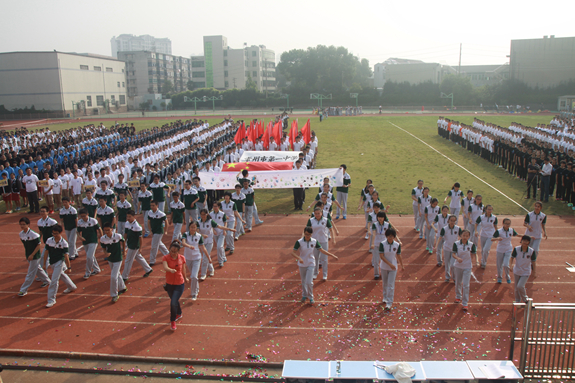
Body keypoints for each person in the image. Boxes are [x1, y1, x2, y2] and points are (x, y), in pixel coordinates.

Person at [291, 226, 338, 304]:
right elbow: (293, 252)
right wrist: (299, 258)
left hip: (311, 263)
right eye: (306, 234)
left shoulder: (314, 241)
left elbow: (322, 250)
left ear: (312, 234)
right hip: (302, 264)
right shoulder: (299, 242)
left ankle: (311, 297)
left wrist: (332, 255)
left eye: (309, 234)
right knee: (303, 281)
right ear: (304, 233)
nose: (307, 236)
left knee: (309, 282)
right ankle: (304, 295)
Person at [43, 224, 77, 308]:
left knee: (54, 280)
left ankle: (51, 299)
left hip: (60, 262)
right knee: (61, 274)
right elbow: (46, 252)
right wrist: (44, 264)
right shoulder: (49, 240)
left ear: (60, 232)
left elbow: (66, 256)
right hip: (52, 262)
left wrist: (69, 267)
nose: (55, 235)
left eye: (56, 233)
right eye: (53, 233)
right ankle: (72, 286)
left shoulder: (64, 243)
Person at [17, 217, 50, 296]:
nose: (22, 226)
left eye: (24, 224)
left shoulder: (34, 234)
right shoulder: (21, 234)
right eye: (21, 224)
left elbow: (38, 245)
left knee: (30, 273)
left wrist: (32, 254)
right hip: (28, 255)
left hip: (35, 256)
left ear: (28, 224)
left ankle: (23, 290)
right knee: (38, 270)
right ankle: (47, 281)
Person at [163, 241, 189, 330]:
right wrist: (170, 270)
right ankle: (179, 312)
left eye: (175, 251)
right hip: (169, 284)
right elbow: (165, 267)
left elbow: (183, 269)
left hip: (179, 284)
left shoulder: (182, 258)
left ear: (178, 251)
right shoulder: (165, 258)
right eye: (171, 251)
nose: (173, 253)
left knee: (173, 302)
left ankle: (172, 321)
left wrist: (186, 278)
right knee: (174, 300)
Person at [122, 209, 153, 282]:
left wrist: (140, 247)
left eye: (130, 217)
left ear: (134, 217)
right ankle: (148, 269)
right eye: (127, 217)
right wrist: (124, 242)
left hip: (134, 245)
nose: (128, 218)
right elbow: (126, 234)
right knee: (138, 257)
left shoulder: (137, 226)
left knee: (128, 260)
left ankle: (124, 276)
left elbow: (140, 238)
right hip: (130, 243)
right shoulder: (127, 223)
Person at [182, 221, 209, 300]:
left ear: (196, 228)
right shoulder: (185, 235)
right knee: (194, 276)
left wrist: (208, 258)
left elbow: (203, 248)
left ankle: (194, 293)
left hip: (196, 258)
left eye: (194, 227)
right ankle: (196, 289)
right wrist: (189, 246)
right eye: (191, 227)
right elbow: (183, 243)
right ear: (189, 227)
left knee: (193, 276)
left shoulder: (199, 236)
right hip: (188, 258)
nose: (193, 229)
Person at [306, 207, 336, 281]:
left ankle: (325, 274)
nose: (317, 215)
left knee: (324, 259)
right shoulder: (311, 220)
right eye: (315, 214)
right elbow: (307, 231)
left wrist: (333, 238)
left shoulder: (326, 220)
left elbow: (331, 230)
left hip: (324, 241)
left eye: (318, 213)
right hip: (314, 242)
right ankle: (315, 273)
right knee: (315, 258)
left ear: (321, 213)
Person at [100, 222, 126, 303]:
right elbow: (104, 248)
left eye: (108, 230)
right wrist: (105, 253)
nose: (107, 232)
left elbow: (123, 241)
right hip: (110, 259)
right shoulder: (103, 239)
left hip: (118, 258)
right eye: (105, 230)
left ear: (112, 229)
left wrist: (123, 251)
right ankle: (122, 287)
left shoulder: (118, 236)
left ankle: (114, 295)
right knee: (117, 273)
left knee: (113, 277)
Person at [378, 228, 404, 310]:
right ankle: (385, 297)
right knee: (385, 283)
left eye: (392, 236)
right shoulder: (382, 244)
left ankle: (389, 303)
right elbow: (381, 256)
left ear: (394, 237)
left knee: (391, 285)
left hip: (393, 268)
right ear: (386, 236)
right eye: (388, 236)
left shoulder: (397, 245)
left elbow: (399, 255)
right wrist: (390, 264)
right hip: (384, 267)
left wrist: (402, 265)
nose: (390, 238)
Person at [451, 229, 476, 311]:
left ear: (469, 236)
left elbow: (474, 254)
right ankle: (458, 296)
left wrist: (476, 261)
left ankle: (465, 303)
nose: (465, 237)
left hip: (467, 267)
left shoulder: (472, 245)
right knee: (458, 282)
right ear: (460, 236)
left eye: (467, 236)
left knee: (466, 285)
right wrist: (458, 258)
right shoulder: (456, 244)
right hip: (458, 266)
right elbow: (453, 254)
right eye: (463, 235)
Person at [510, 235, 537, 303]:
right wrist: (510, 265)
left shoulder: (531, 251)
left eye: (527, 241)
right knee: (516, 288)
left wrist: (534, 272)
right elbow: (512, 257)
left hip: (526, 271)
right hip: (517, 270)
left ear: (529, 242)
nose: (525, 242)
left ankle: (525, 299)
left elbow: (533, 262)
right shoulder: (516, 249)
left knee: (520, 286)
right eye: (524, 240)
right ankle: (517, 300)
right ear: (521, 241)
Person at [77, 208, 102, 279]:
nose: (83, 218)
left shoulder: (93, 221)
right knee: (91, 256)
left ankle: (87, 272)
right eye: (81, 216)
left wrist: (101, 237)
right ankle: (97, 269)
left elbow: (99, 229)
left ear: (87, 214)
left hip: (93, 240)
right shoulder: (79, 222)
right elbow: (78, 231)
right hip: (85, 241)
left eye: (84, 216)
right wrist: (80, 237)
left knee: (89, 257)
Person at [436, 214, 462, 282]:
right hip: (447, 248)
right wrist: (437, 245)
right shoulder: (444, 229)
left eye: (454, 221)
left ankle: (454, 277)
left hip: (454, 249)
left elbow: (462, 237)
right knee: (447, 264)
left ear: (456, 221)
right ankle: (447, 277)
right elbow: (440, 237)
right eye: (451, 220)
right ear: (448, 220)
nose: (452, 222)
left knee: (453, 265)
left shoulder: (458, 228)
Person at [492, 218, 518, 284]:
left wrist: (526, 236)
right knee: (499, 265)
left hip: (508, 249)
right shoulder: (499, 231)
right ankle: (499, 277)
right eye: (506, 223)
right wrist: (497, 238)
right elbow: (492, 238)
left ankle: (507, 276)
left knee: (506, 265)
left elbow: (517, 234)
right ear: (503, 223)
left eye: (509, 224)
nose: (507, 225)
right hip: (500, 249)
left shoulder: (511, 230)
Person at [474, 204, 498, 269]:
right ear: (485, 209)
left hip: (491, 235)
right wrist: (476, 231)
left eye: (491, 209)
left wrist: (497, 234)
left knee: (486, 249)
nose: (489, 211)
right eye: (488, 209)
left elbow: (495, 226)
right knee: (482, 250)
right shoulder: (481, 217)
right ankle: (483, 260)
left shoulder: (494, 218)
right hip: (483, 235)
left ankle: (484, 262)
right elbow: (476, 224)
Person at [148, 200, 170, 266]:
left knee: (154, 246)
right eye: (151, 205)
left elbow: (166, 222)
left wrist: (165, 230)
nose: (152, 207)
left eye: (153, 205)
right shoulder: (150, 212)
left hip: (159, 231)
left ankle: (152, 260)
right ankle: (168, 255)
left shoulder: (161, 214)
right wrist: (150, 231)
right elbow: (148, 222)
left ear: (157, 206)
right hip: (154, 231)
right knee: (159, 244)